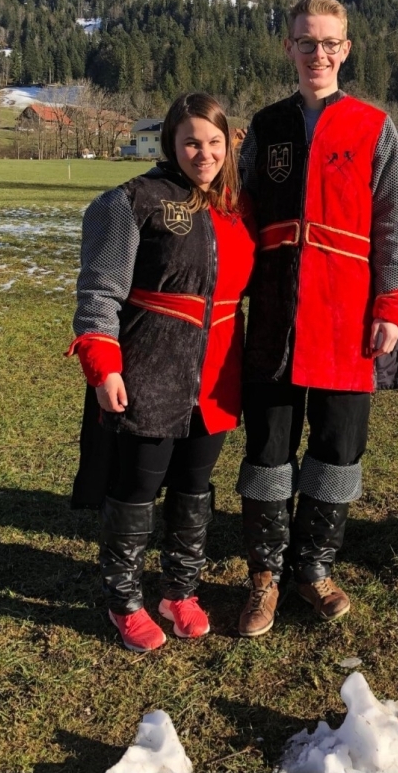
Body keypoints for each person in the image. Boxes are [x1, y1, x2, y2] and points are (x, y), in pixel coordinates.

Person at [236, 0, 398, 637]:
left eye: (329, 43)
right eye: (306, 42)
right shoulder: (266, 126)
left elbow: (393, 224)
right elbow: (241, 213)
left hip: (347, 319)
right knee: (268, 449)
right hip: (276, 314)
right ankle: (264, 575)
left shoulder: (374, 126)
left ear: (346, 49)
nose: (318, 54)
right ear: (289, 47)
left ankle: (312, 569)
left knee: (338, 449)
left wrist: (390, 305)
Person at [67, 93, 256, 653]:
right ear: (172, 142)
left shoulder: (235, 208)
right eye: (192, 141)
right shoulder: (132, 201)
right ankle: (124, 600)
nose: (205, 153)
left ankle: (180, 592)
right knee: (137, 486)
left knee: (195, 486)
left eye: (215, 142)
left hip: (217, 374)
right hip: (150, 368)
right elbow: (98, 294)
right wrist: (103, 367)